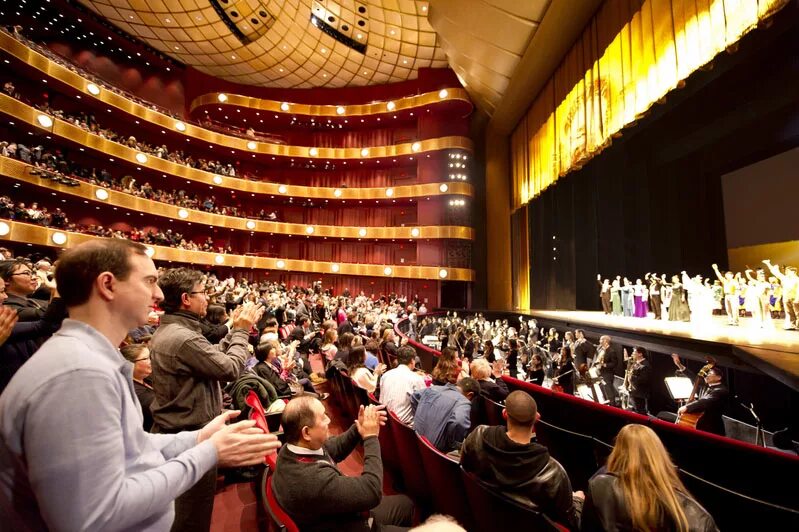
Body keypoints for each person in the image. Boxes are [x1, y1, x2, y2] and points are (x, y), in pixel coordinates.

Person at [0, 239, 279, 531]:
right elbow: (95, 517)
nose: (158, 294)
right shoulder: (79, 374)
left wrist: (197, 439)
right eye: (149, 281)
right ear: (108, 285)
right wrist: (208, 454)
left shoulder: (90, 358)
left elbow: (131, 442)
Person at [149, 267, 265, 532]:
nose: (208, 299)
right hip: (190, 435)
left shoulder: (180, 331)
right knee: (191, 517)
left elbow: (211, 358)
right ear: (186, 299)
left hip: (186, 432)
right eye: (203, 293)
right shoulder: (182, 337)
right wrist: (241, 331)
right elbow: (229, 369)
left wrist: (236, 330)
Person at [272, 396, 414, 531]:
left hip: (344, 516)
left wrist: (359, 428)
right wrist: (370, 437)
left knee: (406, 504)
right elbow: (372, 490)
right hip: (349, 526)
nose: (328, 420)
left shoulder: (291, 448)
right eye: (323, 417)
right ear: (307, 432)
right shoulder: (312, 480)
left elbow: (335, 447)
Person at [461, 391, 583, 529]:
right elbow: (570, 522)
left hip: (483, 519)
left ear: (505, 413)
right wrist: (578, 500)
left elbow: (464, 468)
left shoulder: (477, 436)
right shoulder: (554, 472)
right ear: (537, 418)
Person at [581, 424, 718, 531]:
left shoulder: (599, 487)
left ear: (618, 452)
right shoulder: (698, 517)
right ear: (661, 457)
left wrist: (577, 501)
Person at [411, 377, 481, 453]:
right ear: (470, 395)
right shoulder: (463, 402)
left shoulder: (433, 388)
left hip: (413, 441)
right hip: (433, 452)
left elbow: (415, 396)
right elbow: (459, 422)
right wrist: (453, 443)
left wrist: (420, 415)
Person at [379, 345, 427, 425]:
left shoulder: (385, 375)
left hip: (385, 423)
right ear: (412, 361)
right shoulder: (416, 379)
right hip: (405, 427)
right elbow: (424, 404)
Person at [677, 365, 729, 436]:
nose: (706, 376)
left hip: (712, 428)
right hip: (701, 424)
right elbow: (694, 378)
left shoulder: (721, 390)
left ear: (718, 377)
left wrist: (687, 407)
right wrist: (680, 365)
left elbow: (705, 401)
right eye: (706, 374)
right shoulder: (706, 386)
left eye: (710, 374)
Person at [120, 343, 156, 431]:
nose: (152, 360)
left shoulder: (146, 377)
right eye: (146, 358)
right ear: (130, 364)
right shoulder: (135, 390)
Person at [595, 335, 622, 406]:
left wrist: (604, 365)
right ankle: (606, 404)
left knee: (609, 391)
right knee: (602, 390)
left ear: (605, 341)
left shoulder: (611, 351)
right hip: (599, 372)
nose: (599, 341)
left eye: (601, 340)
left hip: (607, 374)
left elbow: (614, 363)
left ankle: (612, 406)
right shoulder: (600, 349)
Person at [627, 346, 652, 415]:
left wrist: (631, 377)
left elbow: (644, 380)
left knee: (640, 412)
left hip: (639, 393)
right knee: (635, 410)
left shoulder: (645, 365)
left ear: (640, 354)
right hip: (634, 390)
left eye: (634, 352)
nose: (632, 353)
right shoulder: (636, 362)